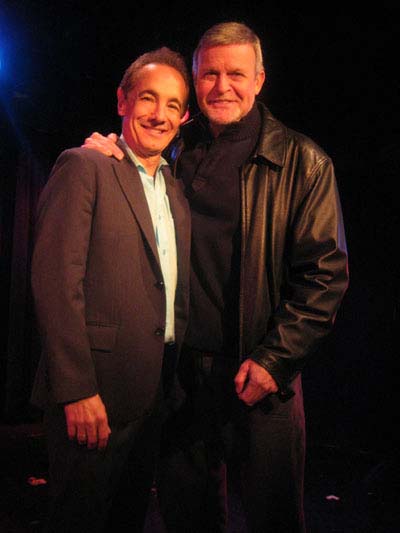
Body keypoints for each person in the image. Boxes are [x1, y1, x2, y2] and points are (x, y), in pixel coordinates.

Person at [83, 21, 349, 533]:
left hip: (261, 378)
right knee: (188, 517)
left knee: (274, 521)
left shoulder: (303, 162)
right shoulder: (177, 152)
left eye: (235, 73)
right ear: (195, 80)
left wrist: (274, 359)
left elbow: (325, 277)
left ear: (259, 79)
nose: (221, 85)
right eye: (209, 73)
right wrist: (110, 153)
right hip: (181, 377)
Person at [30, 47, 191, 533]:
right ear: (122, 100)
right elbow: (56, 282)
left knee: (127, 520)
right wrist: (76, 388)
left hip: (151, 396)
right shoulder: (86, 165)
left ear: (184, 118)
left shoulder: (175, 188)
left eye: (171, 105)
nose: (158, 115)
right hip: (94, 396)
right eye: (147, 98)